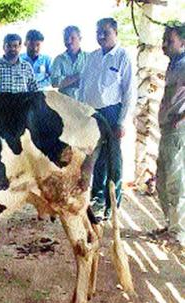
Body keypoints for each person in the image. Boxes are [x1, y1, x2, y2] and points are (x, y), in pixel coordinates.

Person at [79, 17, 136, 220]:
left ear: (116, 33)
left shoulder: (123, 57)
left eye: (106, 32)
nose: (101, 36)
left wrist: (121, 122)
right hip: (92, 114)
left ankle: (113, 203)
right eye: (98, 32)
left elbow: (129, 93)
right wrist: (83, 113)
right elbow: (84, 87)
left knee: (113, 160)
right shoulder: (92, 57)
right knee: (95, 158)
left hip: (112, 113)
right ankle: (98, 199)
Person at [155, 21, 185, 246]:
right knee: (163, 181)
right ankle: (171, 224)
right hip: (167, 130)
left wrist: (180, 119)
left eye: (170, 41)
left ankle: (178, 231)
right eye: (164, 40)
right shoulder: (173, 65)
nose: (164, 45)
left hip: (177, 131)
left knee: (175, 182)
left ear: (183, 43)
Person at [51, 26, 88, 100]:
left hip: (85, 104)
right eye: (66, 38)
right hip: (64, 104)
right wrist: (78, 76)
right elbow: (55, 83)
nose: (68, 41)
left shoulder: (89, 58)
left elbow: (91, 81)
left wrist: (66, 82)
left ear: (80, 38)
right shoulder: (58, 60)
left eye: (72, 38)